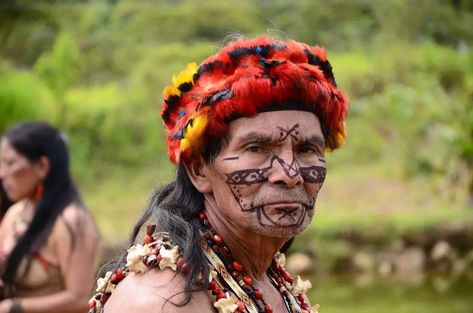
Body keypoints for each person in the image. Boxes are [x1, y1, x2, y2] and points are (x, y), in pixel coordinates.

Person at [89, 35, 349, 313]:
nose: (290, 173)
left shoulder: (272, 282)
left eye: (307, 148)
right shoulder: (159, 302)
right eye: (257, 148)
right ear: (199, 170)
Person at [0, 121, 100, 313]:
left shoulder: (72, 222)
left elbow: (81, 299)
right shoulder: (15, 214)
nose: (2, 174)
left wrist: (15, 307)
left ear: (42, 166)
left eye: (11, 163)